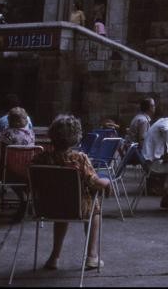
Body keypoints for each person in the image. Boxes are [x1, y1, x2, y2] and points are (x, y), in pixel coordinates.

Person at [32, 114, 110, 270]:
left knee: (61, 205)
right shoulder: (79, 159)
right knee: (94, 208)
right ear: (76, 137)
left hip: (46, 207)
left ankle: (54, 257)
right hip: (74, 207)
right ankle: (92, 256)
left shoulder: (40, 158)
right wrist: (107, 182)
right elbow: (94, 182)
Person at [0, 107, 36, 221]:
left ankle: (22, 197)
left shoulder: (6, 134)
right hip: (28, 173)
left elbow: (1, 154)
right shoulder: (31, 134)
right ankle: (27, 201)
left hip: (10, 173)